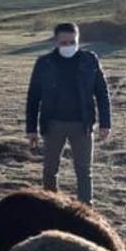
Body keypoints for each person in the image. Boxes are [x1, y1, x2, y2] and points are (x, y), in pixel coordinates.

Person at [25, 22, 112, 204]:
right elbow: (33, 97)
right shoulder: (44, 63)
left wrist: (106, 123)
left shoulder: (90, 60)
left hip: (82, 124)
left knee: (83, 171)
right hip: (53, 124)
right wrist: (31, 129)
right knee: (50, 170)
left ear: (78, 40)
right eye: (63, 43)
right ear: (56, 42)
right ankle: (51, 206)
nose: (68, 46)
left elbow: (102, 92)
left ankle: (86, 211)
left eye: (72, 42)